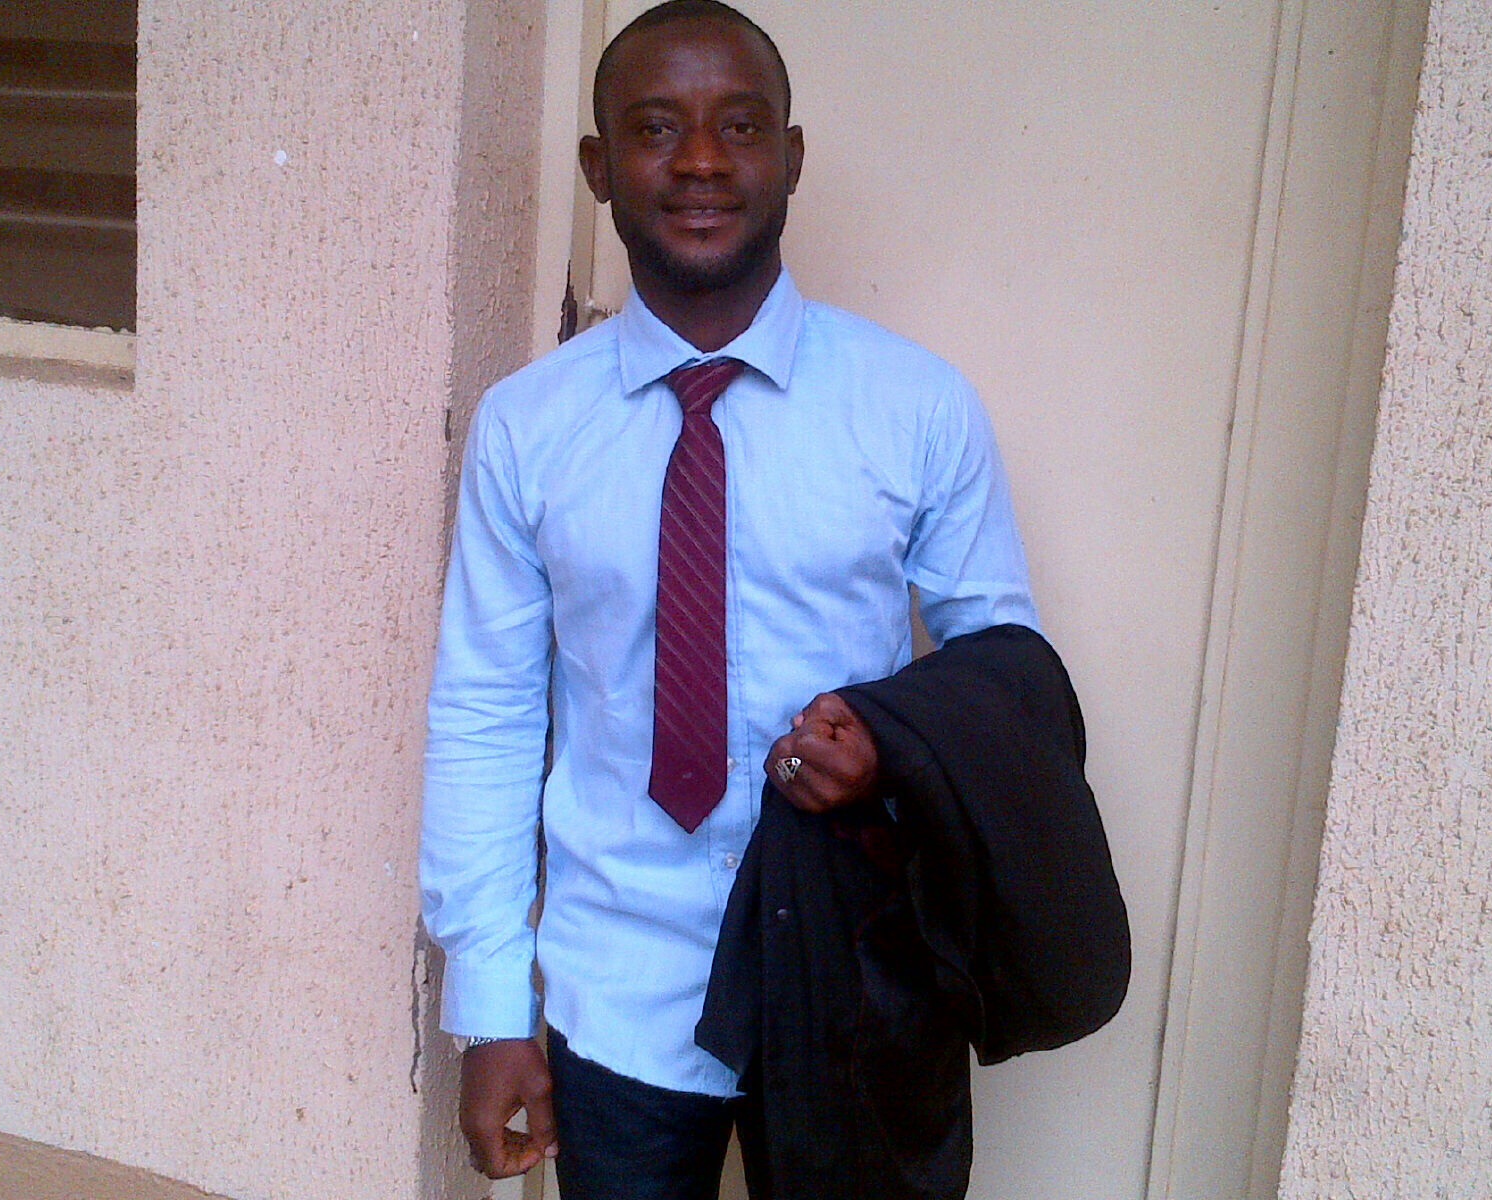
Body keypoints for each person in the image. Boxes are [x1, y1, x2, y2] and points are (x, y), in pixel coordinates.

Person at [420, 3, 1038, 1197]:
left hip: (860, 978)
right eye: (656, 128)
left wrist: (892, 749)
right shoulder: (527, 430)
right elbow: (485, 713)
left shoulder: (916, 408)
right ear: (599, 167)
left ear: (790, 158)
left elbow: (1005, 683)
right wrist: (490, 1007)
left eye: (740, 127)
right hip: (617, 991)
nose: (700, 160)